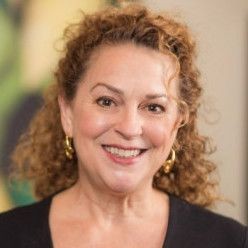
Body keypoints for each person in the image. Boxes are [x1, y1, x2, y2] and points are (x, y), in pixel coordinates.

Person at [0, 4, 247, 248]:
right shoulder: (7, 236)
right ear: (68, 113)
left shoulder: (230, 241)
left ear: (177, 123)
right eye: (106, 101)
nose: (129, 128)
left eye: (154, 107)